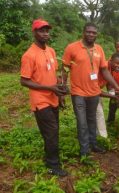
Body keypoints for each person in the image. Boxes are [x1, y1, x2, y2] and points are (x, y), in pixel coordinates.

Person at [62, 23, 119, 159]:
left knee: (92, 120)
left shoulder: (99, 49)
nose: (91, 34)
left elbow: (104, 70)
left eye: (94, 33)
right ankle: (84, 150)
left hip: (94, 92)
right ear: (83, 32)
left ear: (96, 34)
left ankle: (93, 144)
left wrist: (116, 85)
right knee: (82, 122)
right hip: (78, 92)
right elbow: (65, 68)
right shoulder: (72, 48)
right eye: (88, 32)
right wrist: (62, 85)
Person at [20, 19, 68, 176]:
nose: (45, 33)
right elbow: (24, 80)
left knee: (52, 131)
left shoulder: (51, 51)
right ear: (34, 32)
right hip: (40, 101)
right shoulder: (29, 55)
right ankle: (53, 165)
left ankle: (50, 157)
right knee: (52, 131)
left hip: (53, 97)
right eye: (41, 30)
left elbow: (54, 74)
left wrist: (59, 92)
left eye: (47, 30)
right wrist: (49, 88)